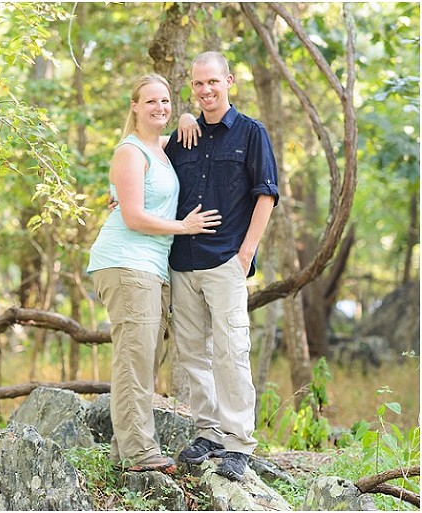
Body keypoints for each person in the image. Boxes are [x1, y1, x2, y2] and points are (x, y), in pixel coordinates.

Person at [87, 74, 222, 473]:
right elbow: (131, 216)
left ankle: (124, 449)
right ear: (134, 106)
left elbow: (186, 130)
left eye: (164, 101)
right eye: (150, 102)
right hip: (126, 263)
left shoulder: (159, 148)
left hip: (150, 267)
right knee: (135, 360)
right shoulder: (130, 152)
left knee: (145, 358)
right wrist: (185, 227)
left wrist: (183, 114)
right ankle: (140, 454)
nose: (159, 107)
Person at [164, 51, 279, 481]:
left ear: (229, 80)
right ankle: (209, 433)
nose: (206, 90)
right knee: (194, 353)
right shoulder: (183, 136)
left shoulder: (251, 134)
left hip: (226, 261)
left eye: (213, 82)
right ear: (191, 88)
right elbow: (149, 155)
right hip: (183, 262)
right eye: (198, 84)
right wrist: (181, 122)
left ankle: (238, 442)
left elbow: (265, 195)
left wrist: (245, 254)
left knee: (232, 352)